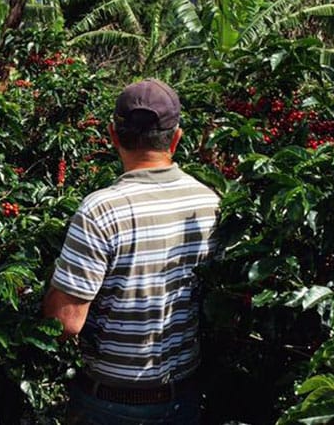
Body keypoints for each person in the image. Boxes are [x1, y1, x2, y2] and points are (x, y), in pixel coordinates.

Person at [43, 78, 220, 424]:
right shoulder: (209, 202)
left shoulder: (101, 210)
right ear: (176, 138)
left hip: (110, 403)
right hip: (183, 398)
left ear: (113, 135)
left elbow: (64, 323)